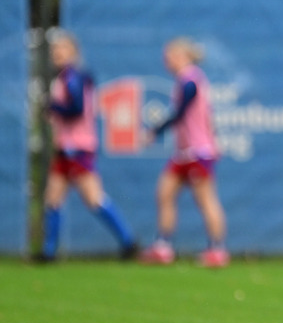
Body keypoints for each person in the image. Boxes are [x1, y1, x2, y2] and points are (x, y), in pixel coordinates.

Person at [37, 30, 136, 262]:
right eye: (55, 49)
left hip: (78, 148)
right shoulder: (64, 78)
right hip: (64, 148)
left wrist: (52, 107)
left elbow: (77, 108)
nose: (57, 53)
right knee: (53, 198)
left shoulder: (75, 77)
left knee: (94, 198)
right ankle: (49, 252)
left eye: (62, 48)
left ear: (74, 52)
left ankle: (128, 242)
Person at [139, 38, 229, 267]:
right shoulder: (183, 81)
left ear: (183, 56)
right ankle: (163, 246)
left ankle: (217, 249)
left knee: (206, 199)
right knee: (165, 193)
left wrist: (154, 131)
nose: (166, 61)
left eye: (170, 56)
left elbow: (180, 112)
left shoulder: (191, 79)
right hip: (182, 152)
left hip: (198, 152)